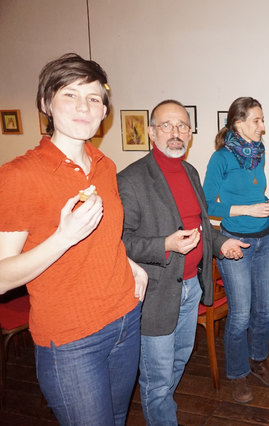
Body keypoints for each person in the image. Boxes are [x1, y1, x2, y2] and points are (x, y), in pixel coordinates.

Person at [0, 53, 147, 425]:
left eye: (94, 98)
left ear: (104, 111)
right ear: (46, 103)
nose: (84, 106)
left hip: (126, 319)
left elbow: (105, 237)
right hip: (71, 340)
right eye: (70, 95)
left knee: (117, 418)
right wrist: (62, 238)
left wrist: (133, 267)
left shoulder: (105, 165)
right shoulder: (19, 176)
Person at [117, 100, 248, 424]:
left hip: (192, 288)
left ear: (190, 133)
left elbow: (201, 227)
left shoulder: (190, 171)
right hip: (157, 295)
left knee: (179, 360)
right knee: (158, 377)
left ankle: (157, 407)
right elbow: (121, 242)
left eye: (182, 126)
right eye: (167, 125)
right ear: (151, 132)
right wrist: (165, 244)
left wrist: (221, 243)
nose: (176, 133)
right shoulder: (131, 179)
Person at [203, 96, 269, 404]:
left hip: (263, 239)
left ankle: (258, 361)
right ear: (238, 123)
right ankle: (237, 375)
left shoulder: (257, 154)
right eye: (256, 121)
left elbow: (254, 192)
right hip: (234, 242)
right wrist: (247, 209)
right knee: (240, 315)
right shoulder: (221, 158)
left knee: (263, 310)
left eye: (262, 120)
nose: (262, 127)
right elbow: (208, 205)